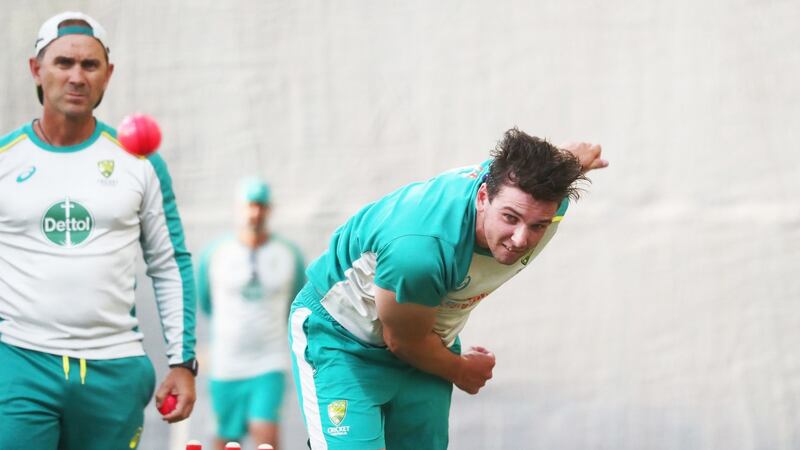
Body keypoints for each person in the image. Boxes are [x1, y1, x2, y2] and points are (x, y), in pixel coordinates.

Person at [288, 128, 608, 450]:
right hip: (344, 341)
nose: (521, 239)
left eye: (538, 225)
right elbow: (401, 340)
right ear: (484, 197)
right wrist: (463, 370)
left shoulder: (547, 198)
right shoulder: (421, 251)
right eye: (510, 218)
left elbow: (547, 165)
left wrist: (571, 159)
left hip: (426, 341)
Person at [0, 11, 197, 449]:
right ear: (36, 69)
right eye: (63, 63)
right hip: (19, 361)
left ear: (108, 75)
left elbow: (169, 264)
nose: (76, 77)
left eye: (90, 65)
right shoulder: (5, 159)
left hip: (115, 369)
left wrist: (182, 362)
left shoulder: (139, 163)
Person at [197, 177, 306, 450]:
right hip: (227, 364)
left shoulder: (288, 254)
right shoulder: (216, 253)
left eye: (261, 206)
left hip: (268, 362)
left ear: (269, 209)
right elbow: (206, 301)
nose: (255, 213)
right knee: (225, 440)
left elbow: (296, 302)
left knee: (266, 437)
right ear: (239, 208)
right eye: (249, 205)